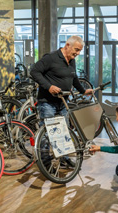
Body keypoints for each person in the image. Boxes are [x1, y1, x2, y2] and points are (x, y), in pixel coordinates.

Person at [30, 35, 93, 168]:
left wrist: (82, 91)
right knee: (47, 134)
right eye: (76, 49)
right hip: (47, 102)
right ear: (67, 45)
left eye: (80, 51)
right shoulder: (51, 58)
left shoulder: (71, 60)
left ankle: (64, 158)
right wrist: (49, 86)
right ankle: (45, 163)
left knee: (63, 132)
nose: (78, 53)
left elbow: (73, 76)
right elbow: (34, 72)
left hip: (62, 102)